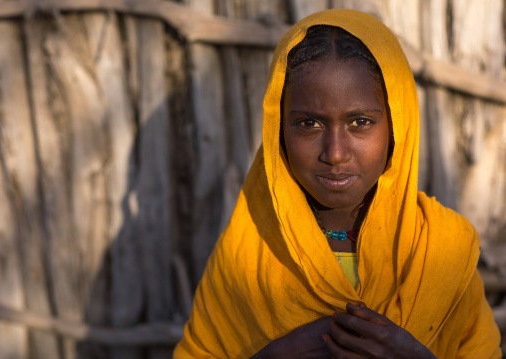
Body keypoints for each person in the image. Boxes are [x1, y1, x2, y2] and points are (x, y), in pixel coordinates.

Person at [173, 9, 501, 358]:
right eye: (309, 124)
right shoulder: (247, 257)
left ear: (397, 125)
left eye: (360, 122)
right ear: (277, 130)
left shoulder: (439, 250)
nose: (335, 153)